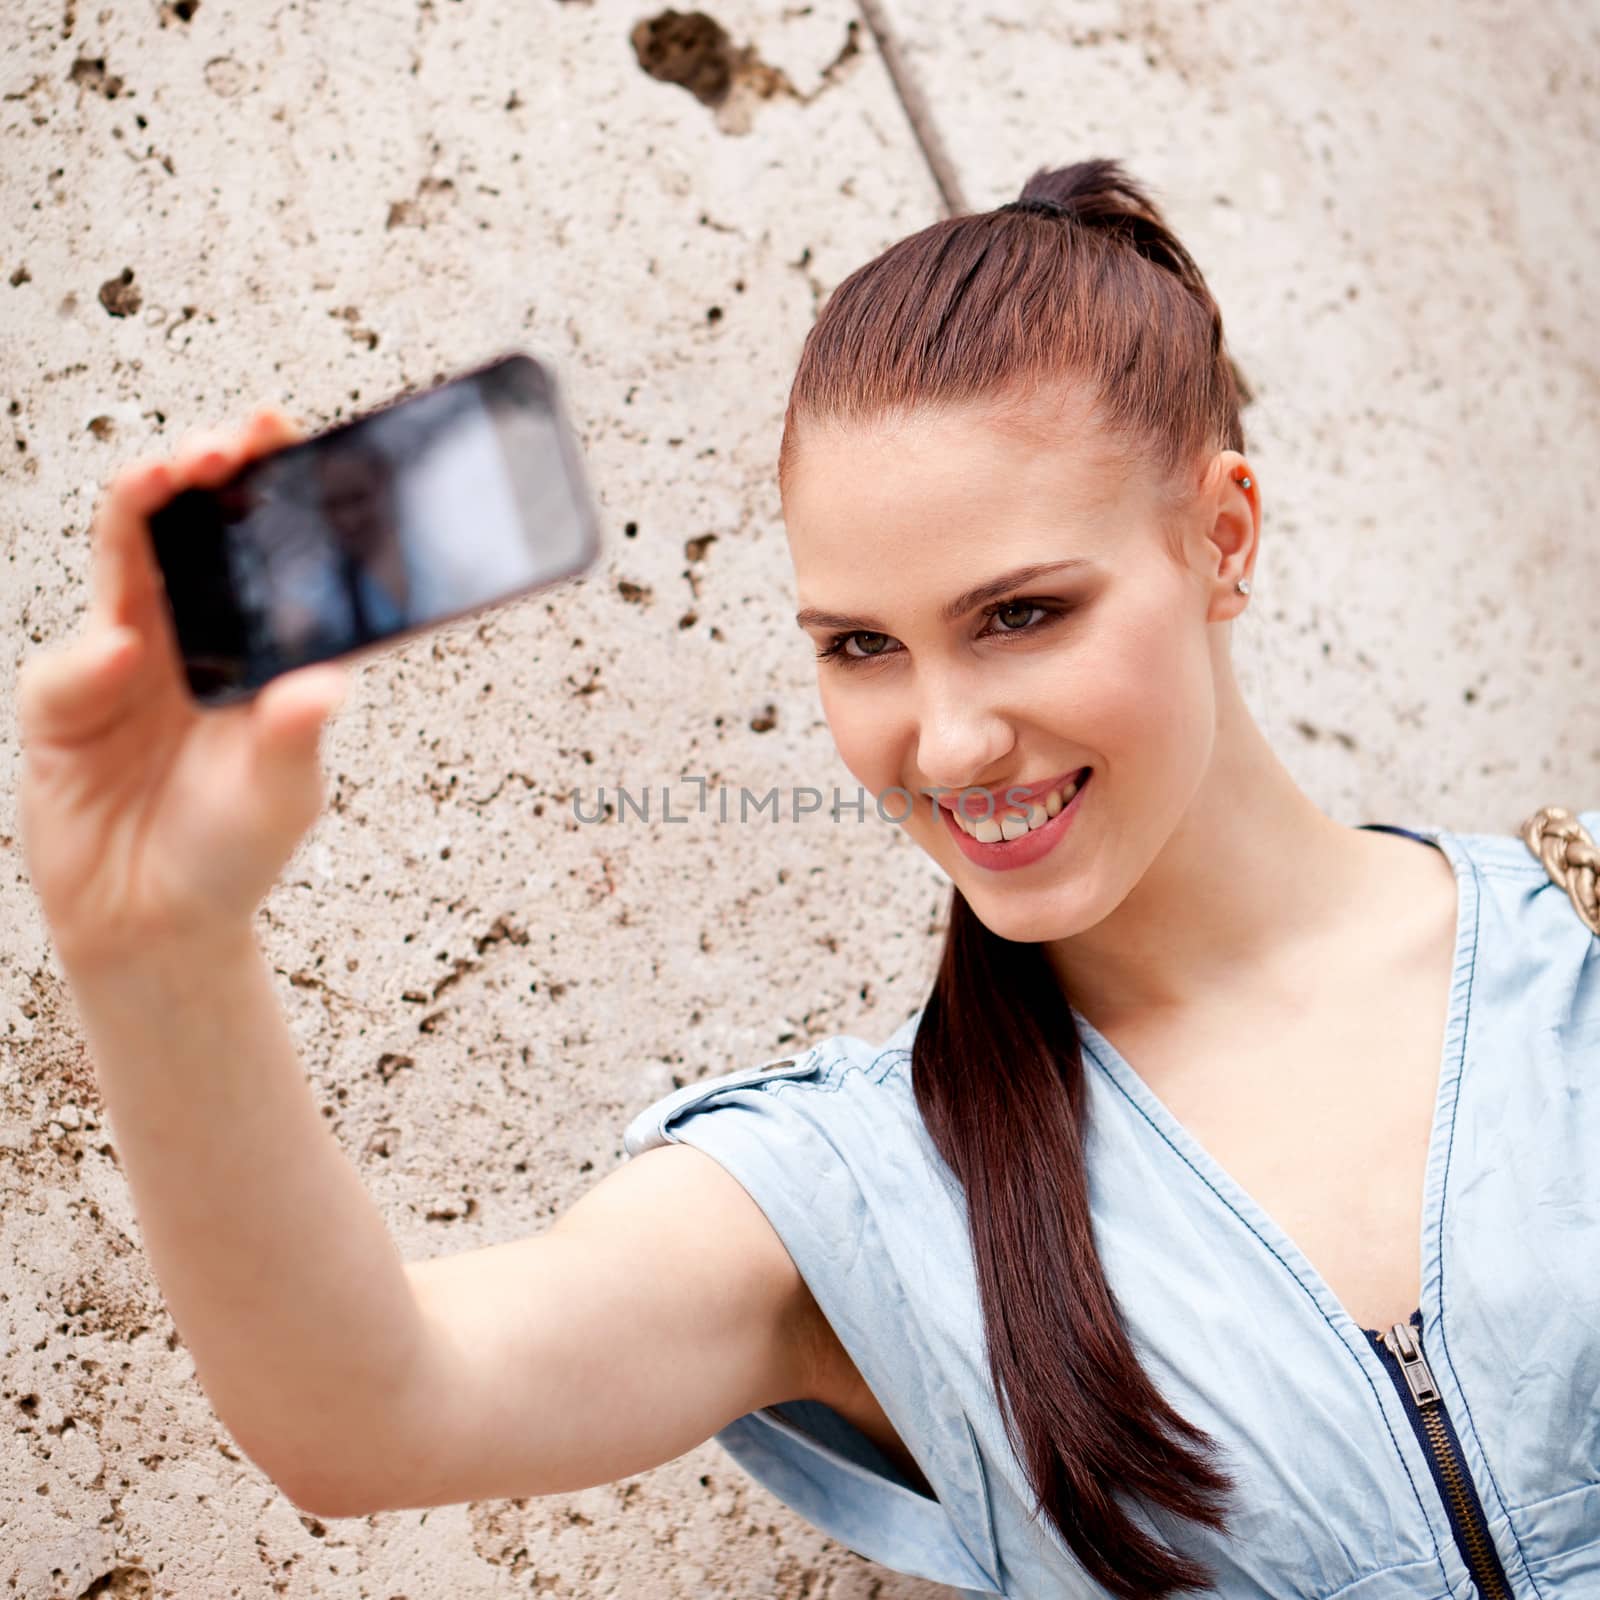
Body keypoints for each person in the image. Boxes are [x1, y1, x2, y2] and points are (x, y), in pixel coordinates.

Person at [14, 160, 1600, 1600]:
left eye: (1023, 613)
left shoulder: (1569, 961)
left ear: (1224, 536)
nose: (953, 739)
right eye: (861, 646)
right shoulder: (862, 1189)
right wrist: (161, 950)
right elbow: (373, 1412)